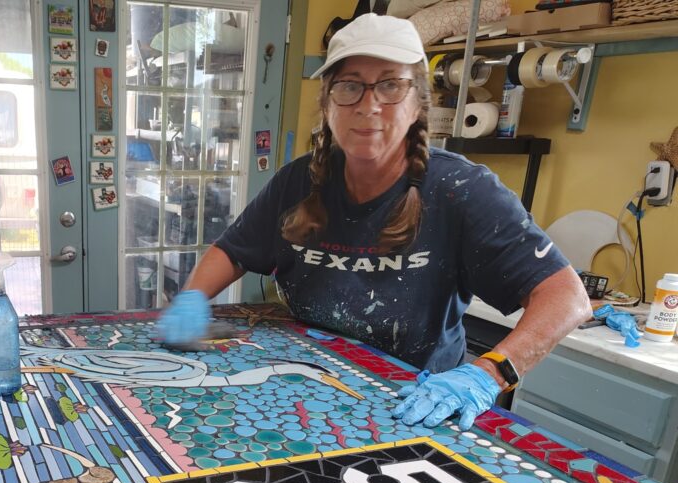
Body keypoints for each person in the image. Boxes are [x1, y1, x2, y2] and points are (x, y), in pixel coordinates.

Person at [155, 13, 591, 431]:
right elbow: (234, 250)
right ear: (328, 102)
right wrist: (192, 297)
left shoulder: (461, 188)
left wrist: (487, 375)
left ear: (418, 100)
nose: (370, 105)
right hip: (309, 383)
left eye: (390, 86)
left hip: (417, 402)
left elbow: (567, 298)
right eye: (349, 87)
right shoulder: (299, 181)